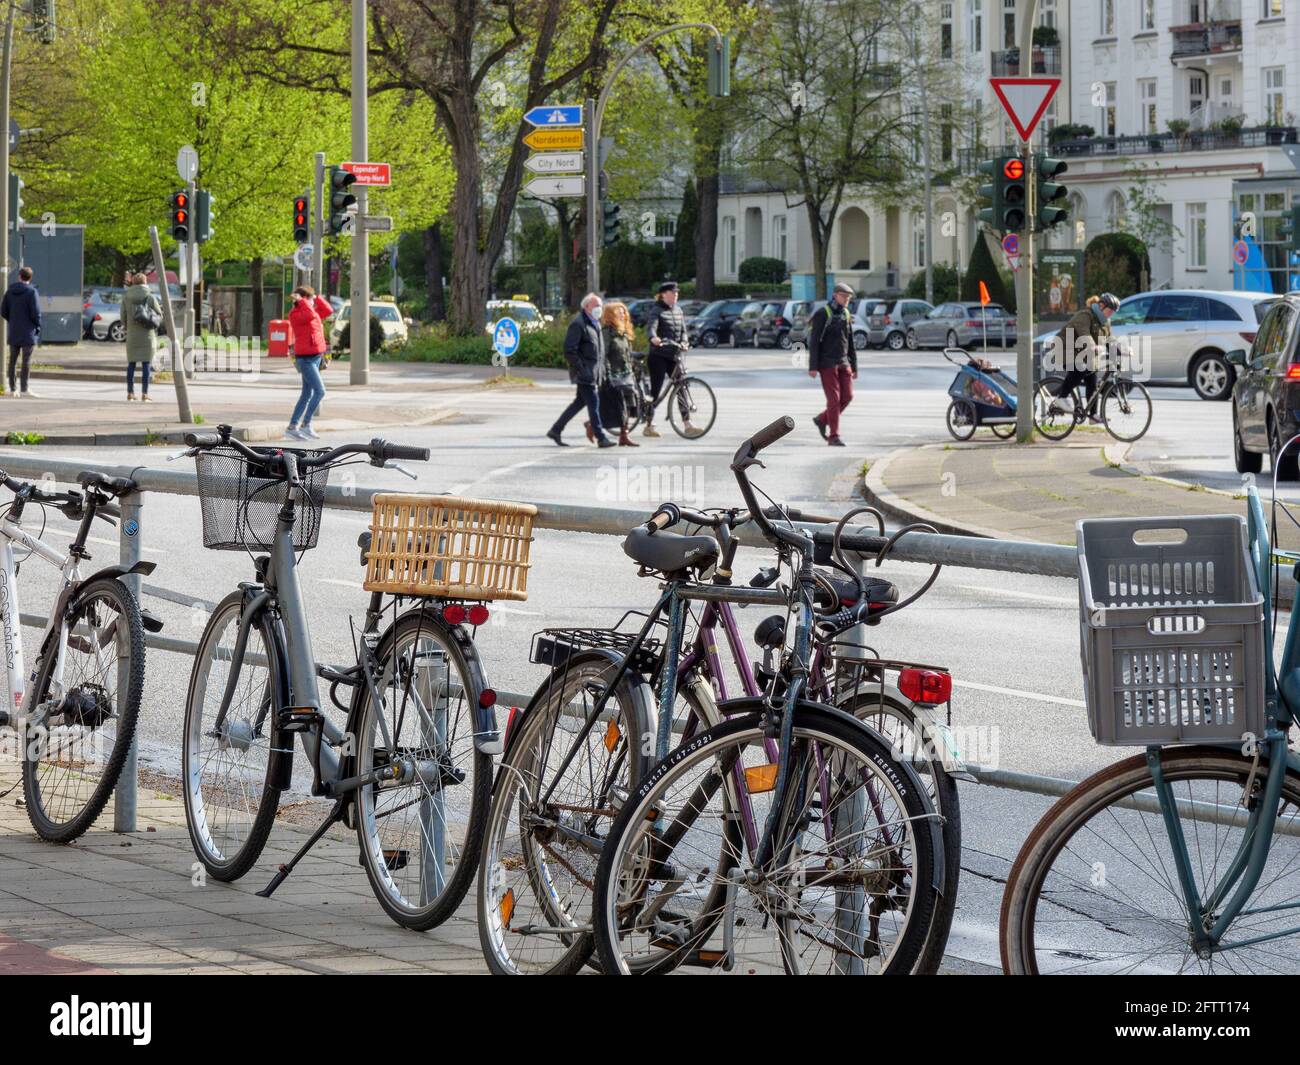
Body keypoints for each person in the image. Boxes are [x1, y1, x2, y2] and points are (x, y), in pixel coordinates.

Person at [548, 293, 614, 448]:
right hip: (585, 374)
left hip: (594, 372)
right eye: (596, 305)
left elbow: (599, 352)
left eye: (600, 305)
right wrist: (582, 369)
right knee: (594, 404)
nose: (599, 308)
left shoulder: (595, 323)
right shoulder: (578, 324)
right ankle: (601, 437)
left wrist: (602, 371)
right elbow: (569, 350)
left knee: (578, 403)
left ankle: (556, 430)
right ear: (586, 307)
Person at [807, 281, 858, 447]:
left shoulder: (846, 313)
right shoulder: (823, 313)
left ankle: (822, 419)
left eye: (849, 297)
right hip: (827, 363)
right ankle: (834, 436)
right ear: (835, 295)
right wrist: (813, 366)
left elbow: (850, 341)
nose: (847, 300)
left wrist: (854, 366)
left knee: (848, 396)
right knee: (834, 400)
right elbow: (814, 341)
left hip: (843, 362)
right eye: (844, 296)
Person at [1054, 291, 1118, 420]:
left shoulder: (1105, 322)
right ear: (1101, 306)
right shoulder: (1085, 315)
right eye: (1110, 310)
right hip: (1066, 349)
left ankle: (1093, 415)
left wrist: (1121, 348)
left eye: (1113, 312)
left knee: (1092, 382)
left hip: (1084, 354)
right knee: (1080, 370)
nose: (1111, 314)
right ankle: (1061, 398)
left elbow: (1109, 338)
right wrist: (1093, 346)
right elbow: (1084, 334)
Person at [643, 280, 692, 437]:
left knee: (681, 388)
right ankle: (649, 424)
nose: (676, 295)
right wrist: (653, 338)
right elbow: (651, 327)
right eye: (673, 293)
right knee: (655, 391)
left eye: (677, 293)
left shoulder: (678, 310)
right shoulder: (657, 310)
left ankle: (687, 424)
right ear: (664, 295)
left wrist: (684, 342)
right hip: (658, 355)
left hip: (673, 355)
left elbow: (683, 330)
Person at [286, 285, 334, 440]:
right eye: (311, 299)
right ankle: (305, 424)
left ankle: (292, 427)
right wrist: (303, 301)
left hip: (316, 356)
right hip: (305, 358)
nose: (313, 302)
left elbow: (328, 310)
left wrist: (317, 296)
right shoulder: (295, 314)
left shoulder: (312, 311)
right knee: (320, 391)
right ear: (303, 300)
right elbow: (308, 315)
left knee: (306, 394)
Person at [599, 301, 639, 447]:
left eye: (624, 312)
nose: (622, 315)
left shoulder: (624, 332)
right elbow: (604, 354)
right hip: (614, 375)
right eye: (619, 312)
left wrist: (633, 364)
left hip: (626, 374)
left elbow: (627, 352)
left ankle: (624, 436)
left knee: (629, 405)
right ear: (610, 315)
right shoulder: (606, 332)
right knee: (617, 407)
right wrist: (608, 373)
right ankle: (592, 425)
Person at [121, 272, 163, 401]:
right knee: (146, 364)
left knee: (131, 364)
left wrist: (129, 326)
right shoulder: (150, 297)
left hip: (132, 336)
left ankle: (130, 393)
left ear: (133, 282)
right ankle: (145, 394)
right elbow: (159, 315)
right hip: (147, 335)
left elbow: (123, 318)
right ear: (145, 282)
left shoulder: (126, 297)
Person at [1, 265, 41, 398]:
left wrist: (12, 320)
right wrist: (37, 326)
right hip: (28, 331)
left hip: (14, 330)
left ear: (19, 276)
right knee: (26, 360)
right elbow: (36, 313)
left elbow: (3, 311)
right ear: (30, 278)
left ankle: (13, 389)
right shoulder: (32, 292)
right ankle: (24, 389)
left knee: (12, 360)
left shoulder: (10, 291)